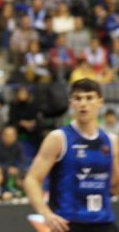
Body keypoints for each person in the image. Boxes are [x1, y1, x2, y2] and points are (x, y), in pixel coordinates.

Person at [25, 79, 119, 232]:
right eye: (78, 98)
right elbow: (31, 179)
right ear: (71, 103)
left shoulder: (111, 141)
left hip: (104, 223)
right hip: (68, 223)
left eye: (89, 98)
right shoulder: (59, 138)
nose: (83, 103)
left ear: (100, 102)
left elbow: (116, 187)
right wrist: (46, 214)